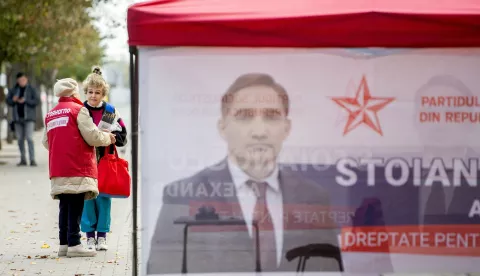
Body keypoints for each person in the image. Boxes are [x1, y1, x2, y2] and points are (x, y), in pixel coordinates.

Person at [147, 73, 341, 274]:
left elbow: (327, 269)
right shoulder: (183, 195)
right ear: (222, 127)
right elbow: (162, 270)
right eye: (245, 116)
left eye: (272, 116)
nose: (259, 131)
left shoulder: (314, 197)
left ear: (287, 127)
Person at [42, 78, 116, 257]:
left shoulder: (51, 114)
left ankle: (64, 244)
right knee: (75, 202)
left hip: (58, 166)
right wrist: (108, 138)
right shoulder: (78, 110)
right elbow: (92, 137)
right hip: (77, 165)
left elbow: (46, 141)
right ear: (74, 92)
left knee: (64, 204)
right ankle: (75, 243)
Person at [79, 66, 128, 251]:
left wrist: (113, 133)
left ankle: (102, 237)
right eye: (90, 92)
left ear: (103, 93)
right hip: (84, 161)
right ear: (86, 92)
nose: (93, 96)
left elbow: (123, 137)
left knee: (104, 199)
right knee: (87, 199)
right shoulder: (80, 110)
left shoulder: (110, 111)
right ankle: (89, 237)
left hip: (105, 161)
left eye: (97, 92)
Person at [6, 72, 40, 166]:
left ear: (27, 79)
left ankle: (32, 159)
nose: (22, 82)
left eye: (24, 80)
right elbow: (8, 101)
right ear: (17, 80)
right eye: (20, 80)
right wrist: (14, 100)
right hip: (17, 118)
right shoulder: (14, 90)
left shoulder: (31, 89)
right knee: (20, 139)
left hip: (29, 118)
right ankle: (23, 159)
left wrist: (26, 100)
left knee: (29, 138)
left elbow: (37, 101)